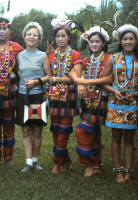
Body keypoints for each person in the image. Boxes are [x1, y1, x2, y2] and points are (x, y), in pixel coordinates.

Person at [102, 24, 138, 183]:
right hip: (115, 103)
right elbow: (104, 81)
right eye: (125, 39)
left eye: (131, 39)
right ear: (120, 40)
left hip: (132, 104)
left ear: (135, 40)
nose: (128, 42)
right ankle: (117, 171)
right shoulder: (113, 58)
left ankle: (128, 171)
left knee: (129, 139)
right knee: (115, 138)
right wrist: (114, 91)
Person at [69, 26, 112, 177]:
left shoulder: (108, 59)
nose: (94, 44)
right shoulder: (86, 60)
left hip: (100, 99)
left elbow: (107, 79)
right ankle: (97, 164)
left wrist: (86, 81)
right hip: (87, 100)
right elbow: (71, 70)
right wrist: (79, 82)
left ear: (103, 44)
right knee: (94, 132)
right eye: (91, 41)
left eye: (97, 41)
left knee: (83, 129)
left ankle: (87, 164)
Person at [0, 16, 24, 167]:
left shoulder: (16, 47)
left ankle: (9, 158)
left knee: (9, 124)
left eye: (4, 28)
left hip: (11, 91)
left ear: (9, 30)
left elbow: (25, 63)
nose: (1, 31)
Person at [47, 15, 83, 174]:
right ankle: (64, 160)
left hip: (69, 97)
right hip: (54, 96)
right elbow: (47, 76)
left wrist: (55, 78)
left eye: (63, 36)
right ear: (54, 38)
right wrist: (54, 79)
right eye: (57, 36)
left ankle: (56, 163)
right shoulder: (50, 54)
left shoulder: (75, 55)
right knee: (55, 128)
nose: (60, 39)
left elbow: (76, 77)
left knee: (64, 128)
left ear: (69, 37)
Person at [16, 22, 51, 172]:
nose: (31, 36)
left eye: (35, 34)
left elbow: (49, 76)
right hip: (23, 96)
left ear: (39, 39)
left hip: (37, 97)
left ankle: (35, 160)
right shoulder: (18, 56)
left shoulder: (43, 56)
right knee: (25, 131)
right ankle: (28, 162)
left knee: (36, 131)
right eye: (29, 34)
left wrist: (36, 81)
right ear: (24, 37)